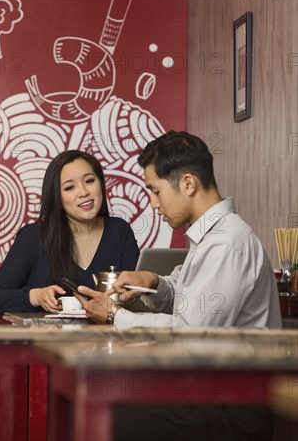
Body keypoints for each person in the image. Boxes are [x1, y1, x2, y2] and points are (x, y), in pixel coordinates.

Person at [76, 131, 282, 441]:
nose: (153, 203)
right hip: (214, 393)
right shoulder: (214, 236)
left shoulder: (225, 244)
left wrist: (114, 316)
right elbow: (192, 299)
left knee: (111, 413)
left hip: (235, 408)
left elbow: (189, 335)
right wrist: (155, 281)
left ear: (188, 184)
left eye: (155, 191)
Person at [0, 150, 139, 315]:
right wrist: (35, 296)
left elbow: (139, 295)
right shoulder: (33, 236)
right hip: (46, 340)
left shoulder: (120, 231)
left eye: (90, 181)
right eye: (70, 187)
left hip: (110, 339)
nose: (84, 192)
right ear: (57, 198)